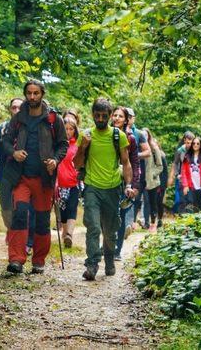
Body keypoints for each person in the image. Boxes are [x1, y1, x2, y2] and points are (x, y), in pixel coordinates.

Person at [1, 80, 68, 274]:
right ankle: (16, 259)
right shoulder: (18, 118)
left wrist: (55, 160)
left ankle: (38, 260)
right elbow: (5, 140)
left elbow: (63, 144)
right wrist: (13, 153)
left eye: (36, 93)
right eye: (29, 93)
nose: (32, 97)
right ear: (25, 94)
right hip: (20, 176)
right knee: (19, 214)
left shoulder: (53, 119)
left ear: (42, 94)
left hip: (43, 178)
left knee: (41, 220)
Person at [74, 98, 134, 281]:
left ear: (109, 117)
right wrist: (83, 147)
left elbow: (126, 162)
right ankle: (91, 265)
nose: (100, 119)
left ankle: (109, 258)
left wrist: (129, 185)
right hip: (92, 187)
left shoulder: (118, 136)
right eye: (97, 115)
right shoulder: (85, 135)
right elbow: (76, 164)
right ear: (92, 115)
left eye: (104, 116)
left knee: (109, 230)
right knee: (92, 226)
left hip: (113, 188)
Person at [111, 106, 140, 261]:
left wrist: (134, 185)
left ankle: (117, 250)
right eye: (114, 115)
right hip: (107, 179)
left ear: (126, 120)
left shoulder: (131, 138)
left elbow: (135, 163)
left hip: (124, 182)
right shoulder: (105, 134)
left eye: (120, 116)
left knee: (121, 214)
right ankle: (108, 243)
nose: (116, 118)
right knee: (108, 215)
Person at [0, 98, 23, 240]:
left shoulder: (28, 127)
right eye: (14, 108)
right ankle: (10, 228)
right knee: (6, 206)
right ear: (10, 110)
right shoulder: (3, 128)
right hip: (5, 174)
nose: (16, 110)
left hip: (24, 175)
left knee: (21, 206)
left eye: (19, 107)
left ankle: (20, 237)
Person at [55, 116, 80, 248]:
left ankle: (69, 234)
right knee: (63, 211)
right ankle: (65, 234)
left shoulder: (77, 145)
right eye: (66, 129)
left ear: (75, 130)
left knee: (72, 208)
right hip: (59, 184)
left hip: (74, 183)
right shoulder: (57, 144)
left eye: (71, 129)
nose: (69, 131)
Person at [126, 108, 151, 229]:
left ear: (134, 118)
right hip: (117, 168)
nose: (128, 119)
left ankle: (129, 223)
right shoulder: (113, 130)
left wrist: (134, 155)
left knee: (133, 196)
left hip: (136, 169)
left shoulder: (139, 134)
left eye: (130, 117)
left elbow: (148, 152)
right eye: (127, 116)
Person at [142, 128, 165, 230]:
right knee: (140, 201)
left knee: (153, 202)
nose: (144, 137)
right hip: (140, 179)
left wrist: (153, 174)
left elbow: (160, 166)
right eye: (142, 135)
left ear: (149, 136)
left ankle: (152, 223)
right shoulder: (138, 147)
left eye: (146, 135)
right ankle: (140, 222)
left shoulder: (154, 149)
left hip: (153, 181)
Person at [180, 137, 201, 212]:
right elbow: (183, 172)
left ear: (200, 145)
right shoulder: (187, 157)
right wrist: (185, 185)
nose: (195, 145)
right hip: (190, 186)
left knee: (199, 206)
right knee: (190, 205)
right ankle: (189, 222)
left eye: (197, 143)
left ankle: (198, 223)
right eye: (193, 143)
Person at [167, 131, 195, 214]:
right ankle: (181, 217)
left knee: (191, 200)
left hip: (192, 179)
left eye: (191, 143)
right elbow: (175, 163)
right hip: (181, 178)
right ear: (184, 140)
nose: (189, 145)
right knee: (180, 200)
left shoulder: (196, 150)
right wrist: (172, 176)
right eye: (187, 142)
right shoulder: (180, 150)